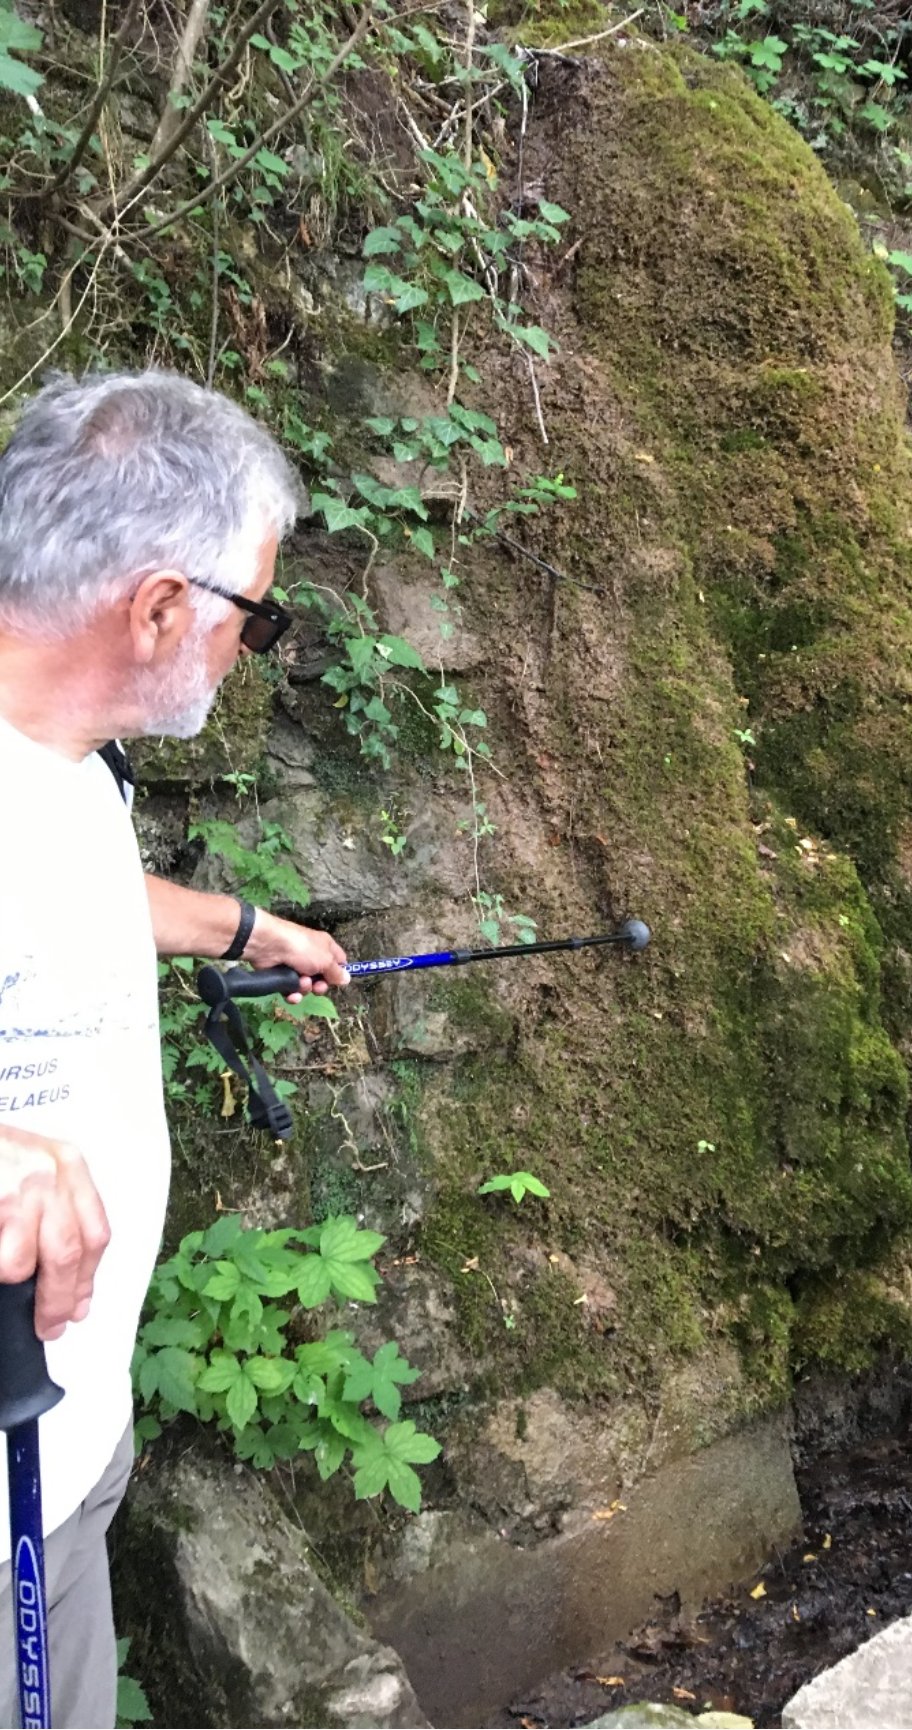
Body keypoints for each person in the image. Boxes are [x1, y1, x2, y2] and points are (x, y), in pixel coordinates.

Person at [0, 370, 349, 1728]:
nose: (246, 647)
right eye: (247, 613)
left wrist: (245, 926)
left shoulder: (64, 757)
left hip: (70, 1433)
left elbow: (63, 904)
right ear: (156, 606)